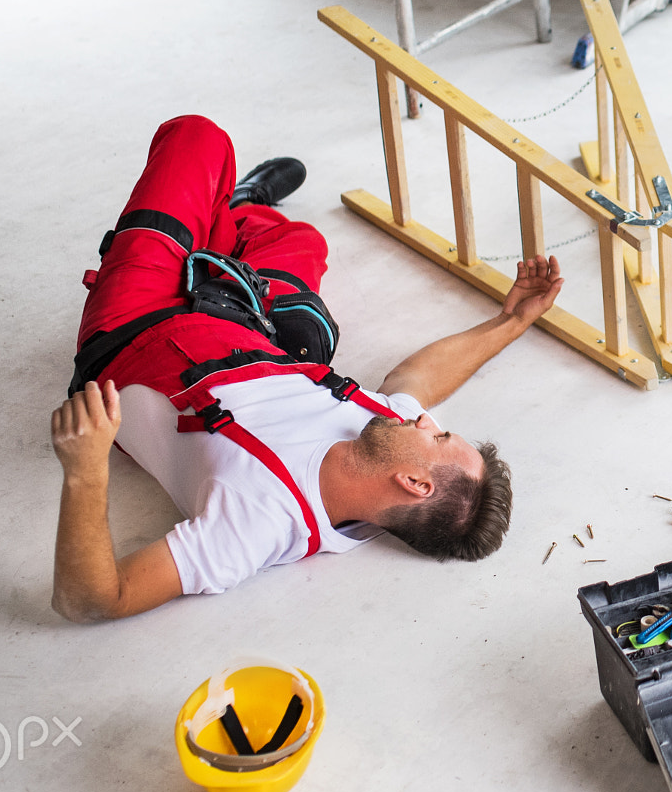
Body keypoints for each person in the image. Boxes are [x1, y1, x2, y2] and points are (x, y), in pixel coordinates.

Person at [48, 115, 561, 621]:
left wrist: (86, 471)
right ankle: (237, 210)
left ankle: (219, 216)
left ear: (414, 483)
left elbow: (96, 599)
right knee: (304, 249)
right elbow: (417, 380)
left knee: (197, 137)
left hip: (133, 328)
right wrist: (510, 322)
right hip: (243, 319)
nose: (425, 417)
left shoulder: (261, 521)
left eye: (439, 435)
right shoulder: (379, 433)